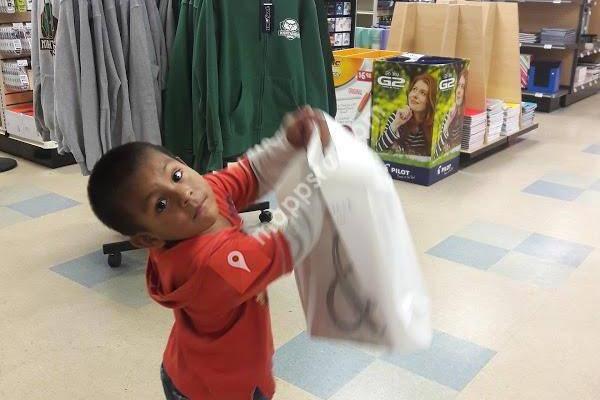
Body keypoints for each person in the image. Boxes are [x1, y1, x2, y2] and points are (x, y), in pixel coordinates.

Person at [87, 107, 330, 400]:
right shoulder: (208, 266)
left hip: (190, 366)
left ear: (181, 163)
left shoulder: (202, 196)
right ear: (148, 238)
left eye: (176, 175)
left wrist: (287, 143)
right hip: (216, 390)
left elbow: (249, 175)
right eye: (161, 205)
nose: (184, 196)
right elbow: (285, 244)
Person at [375, 73, 437, 157]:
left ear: (430, 100)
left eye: (423, 93)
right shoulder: (397, 116)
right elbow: (378, 149)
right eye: (414, 89)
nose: (415, 95)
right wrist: (396, 124)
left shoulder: (433, 125)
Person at [433, 68, 467, 158]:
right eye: (457, 86)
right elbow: (435, 154)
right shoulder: (449, 113)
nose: (459, 91)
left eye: (462, 87)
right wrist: (447, 122)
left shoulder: (465, 116)